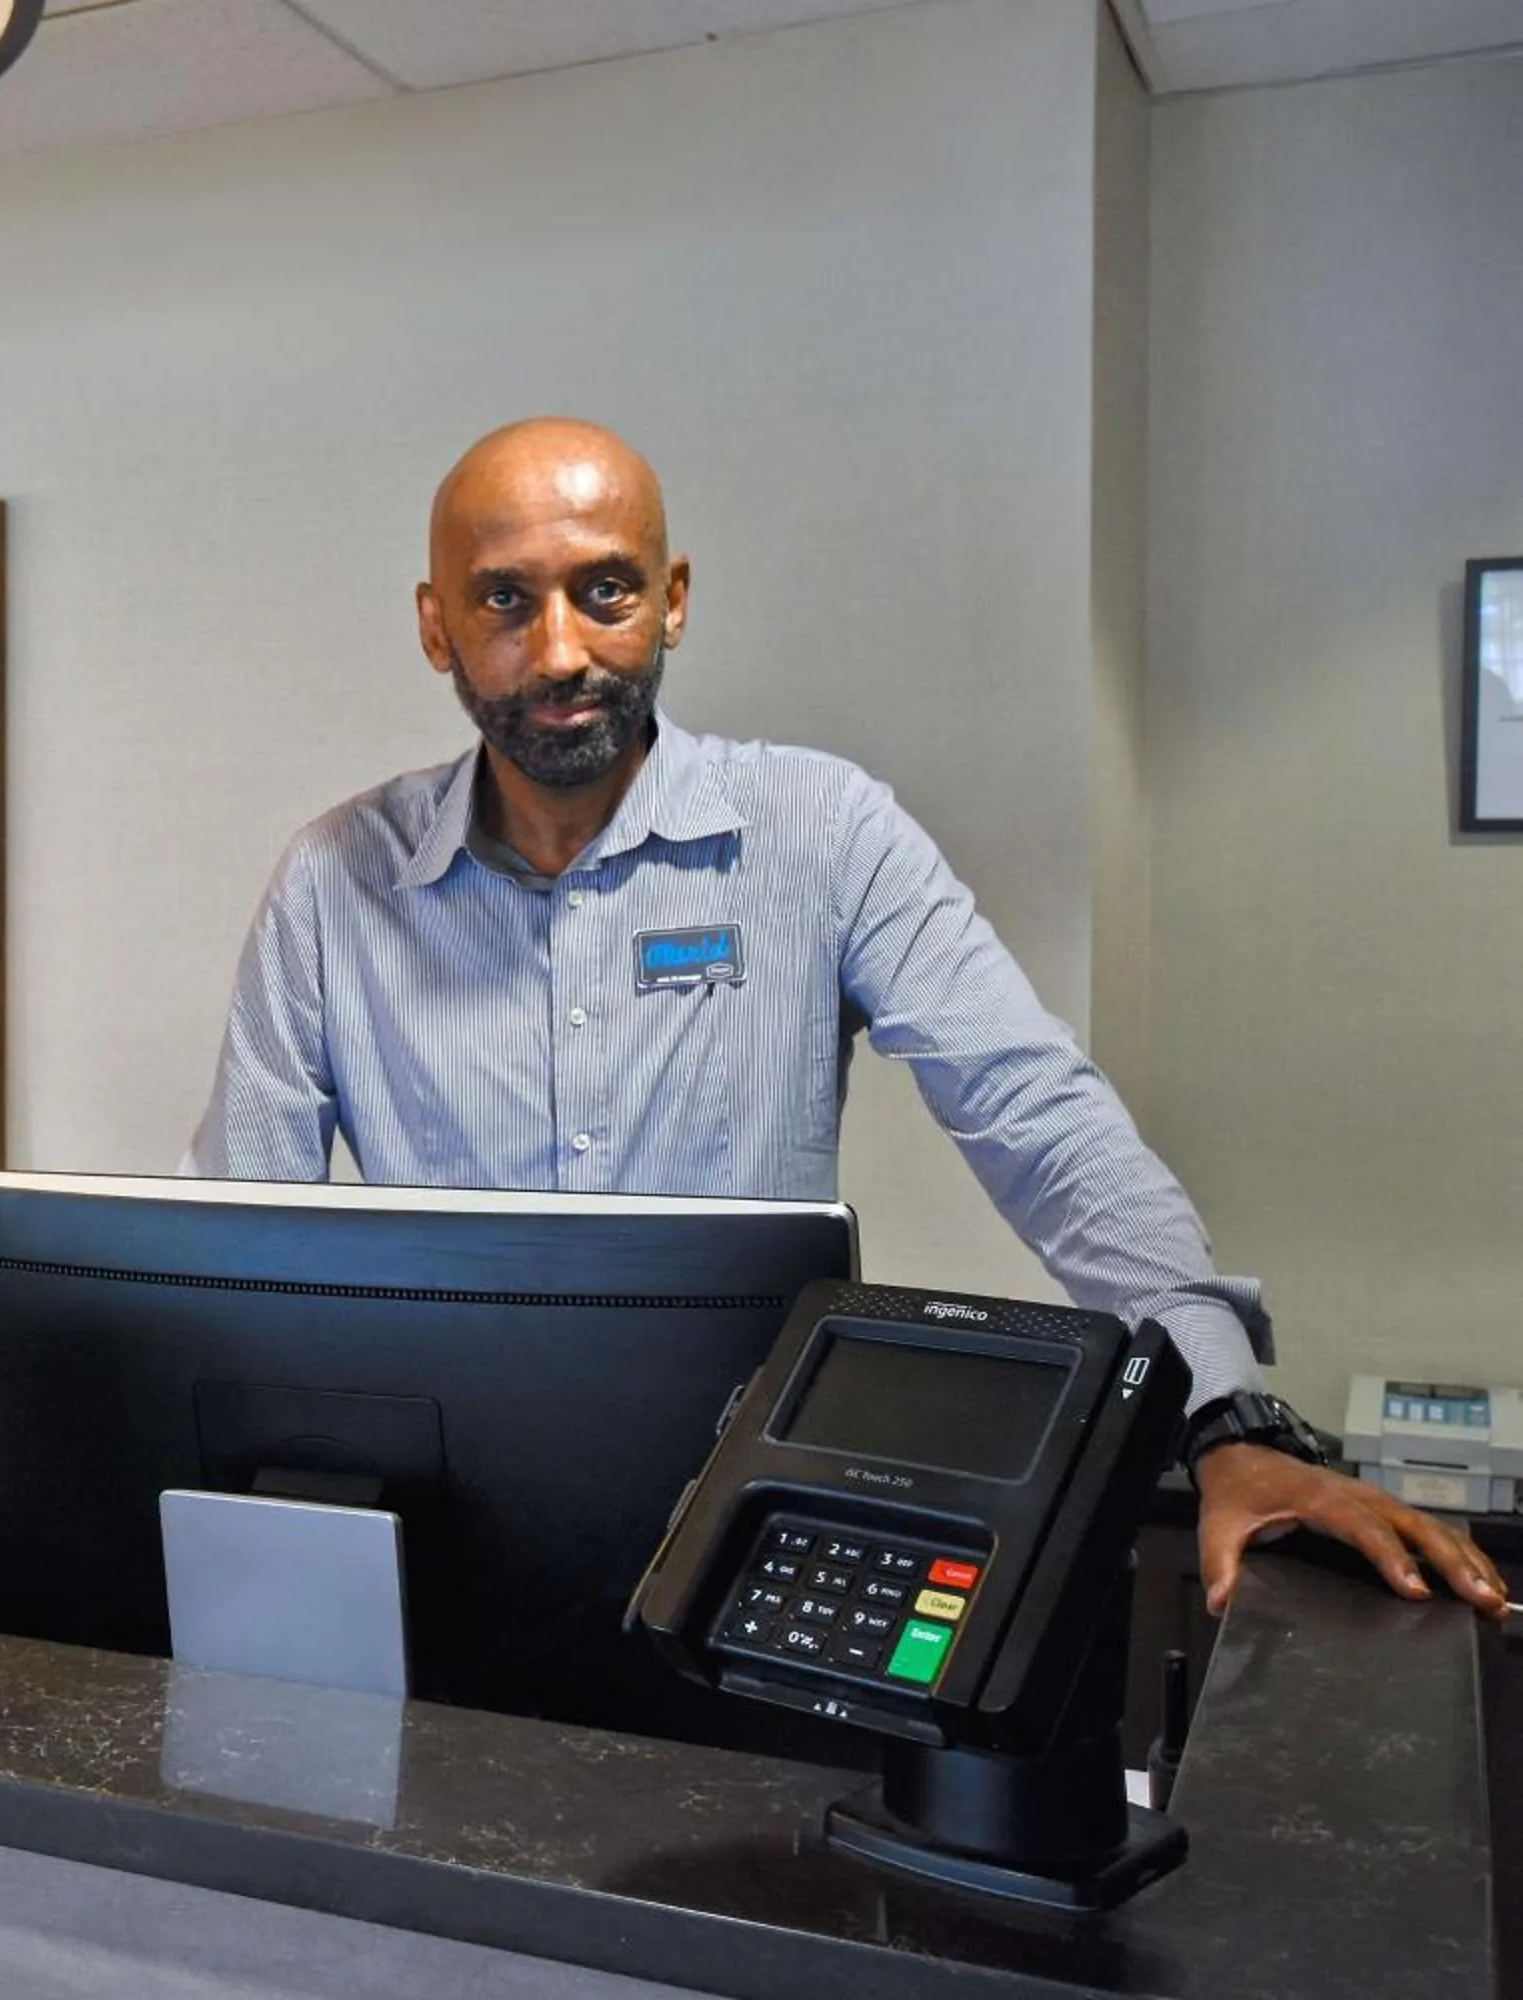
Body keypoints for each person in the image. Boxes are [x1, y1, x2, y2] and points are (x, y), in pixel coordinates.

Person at [188, 416, 1505, 1619]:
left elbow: (1039, 1117)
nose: (562, 651)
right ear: (436, 627)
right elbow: (229, 1255)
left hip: (750, 1549)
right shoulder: (334, 883)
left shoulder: (822, 835)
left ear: (673, 598)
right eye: (504, 601)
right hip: (433, 1555)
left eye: (606, 590)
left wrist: (1226, 1416)